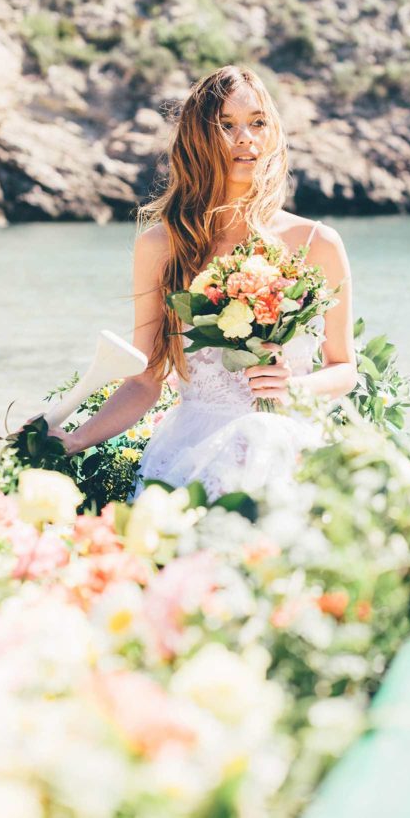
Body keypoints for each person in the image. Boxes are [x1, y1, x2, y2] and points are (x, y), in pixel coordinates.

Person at [49, 65, 357, 501]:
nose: (245, 138)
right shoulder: (162, 246)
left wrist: (293, 388)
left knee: (262, 438)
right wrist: (75, 439)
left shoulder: (317, 242)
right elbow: (145, 380)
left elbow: (344, 368)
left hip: (286, 438)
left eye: (256, 123)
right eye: (226, 126)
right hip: (192, 445)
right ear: (198, 139)